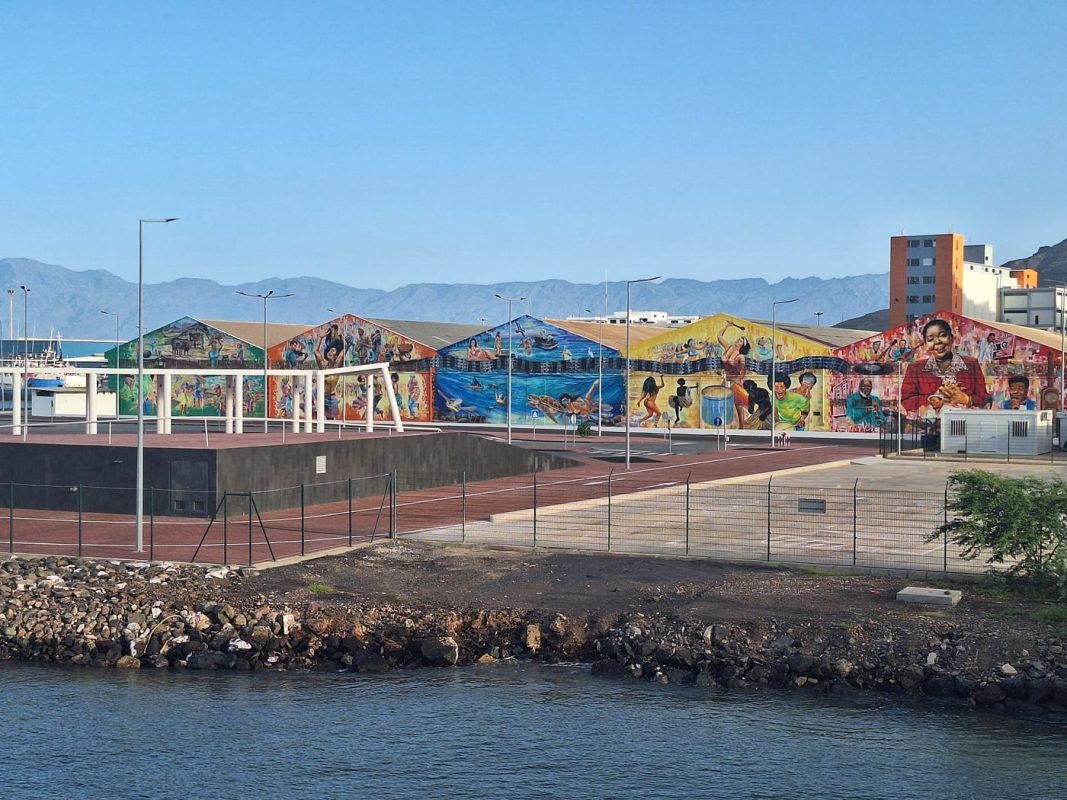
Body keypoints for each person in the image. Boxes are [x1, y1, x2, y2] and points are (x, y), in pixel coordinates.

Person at [900, 318, 990, 414]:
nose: (937, 342)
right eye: (930, 339)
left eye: (943, 335)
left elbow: (984, 398)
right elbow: (907, 401)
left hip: (963, 425)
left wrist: (967, 399)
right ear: (926, 344)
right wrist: (932, 399)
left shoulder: (971, 364)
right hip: (928, 426)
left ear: (951, 338)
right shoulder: (915, 368)